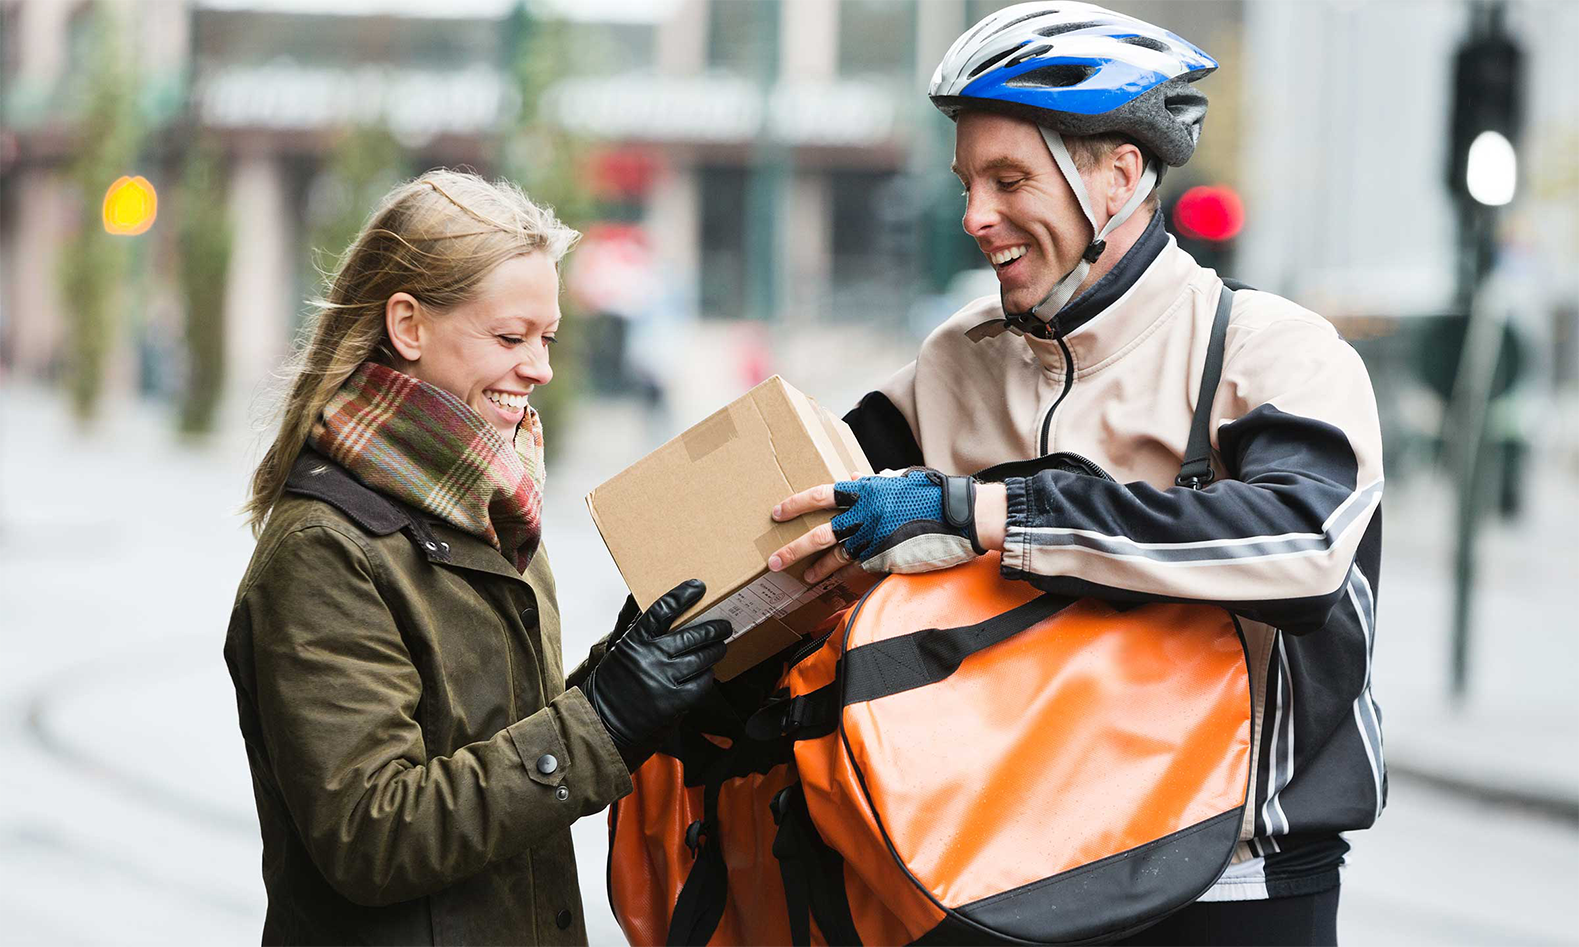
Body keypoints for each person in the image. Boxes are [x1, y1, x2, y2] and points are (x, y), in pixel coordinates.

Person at [767, 5, 1382, 944]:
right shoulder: (956, 359)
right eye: (968, 182)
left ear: (1118, 176)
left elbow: (1301, 547)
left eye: (1009, 179)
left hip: (1238, 879)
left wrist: (981, 510)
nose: (976, 216)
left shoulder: (1268, 349)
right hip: (1003, 871)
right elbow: (798, 505)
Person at [224, 170, 729, 946]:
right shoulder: (325, 548)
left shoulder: (489, 503)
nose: (540, 368)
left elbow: (499, 735)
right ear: (408, 325)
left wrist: (624, 673)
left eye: (547, 338)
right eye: (509, 336)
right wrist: (603, 718)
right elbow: (370, 833)